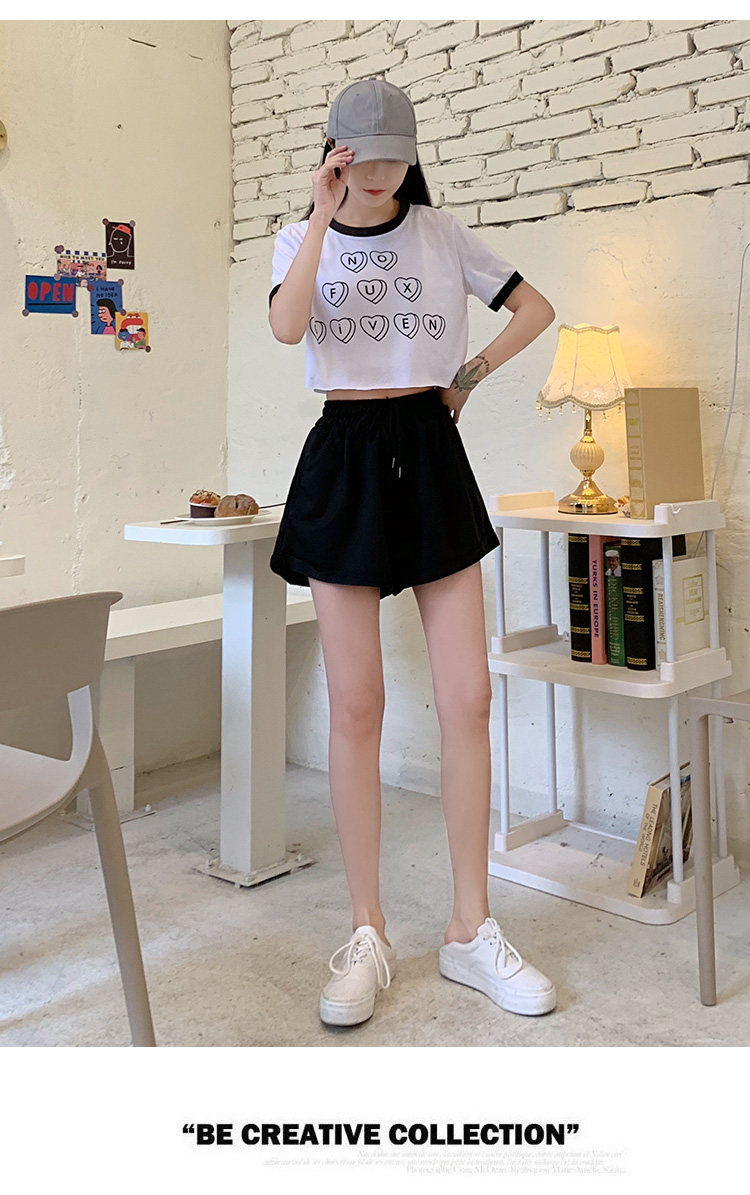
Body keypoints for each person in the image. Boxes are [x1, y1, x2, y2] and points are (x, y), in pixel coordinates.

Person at [268, 77, 558, 1028]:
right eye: (363, 157)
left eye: (395, 157)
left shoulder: (441, 233)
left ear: (412, 155)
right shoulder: (299, 238)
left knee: (467, 695)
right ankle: (368, 930)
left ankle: (470, 927)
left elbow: (534, 308)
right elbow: (286, 325)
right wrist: (320, 216)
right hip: (343, 455)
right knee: (356, 704)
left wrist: (468, 374)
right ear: (334, 153)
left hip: (430, 453)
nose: (380, 173)